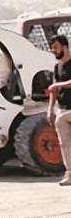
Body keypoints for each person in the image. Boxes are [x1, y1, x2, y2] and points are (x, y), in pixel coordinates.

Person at [45, 33, 71, 186]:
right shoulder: (57, 67)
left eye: (55, 47)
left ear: (65, 47)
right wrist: (50, 109)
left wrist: (58, 85)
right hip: (62, 110)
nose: (53, 50)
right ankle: (69, 174)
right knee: (65, 145)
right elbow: (53, 91)